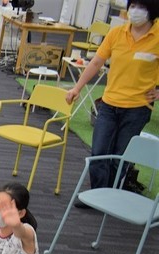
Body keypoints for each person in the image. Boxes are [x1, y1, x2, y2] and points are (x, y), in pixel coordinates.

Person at [66, 0, 159, 205]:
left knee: (121, 156)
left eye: (141, 7)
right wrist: (76, 88)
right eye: (132, 5)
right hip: (109, 104)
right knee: (99, 152)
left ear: (152, 11)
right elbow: (96, 62)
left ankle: (112, 197)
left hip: (137, 108)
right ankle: (98, 196)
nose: (135, 11)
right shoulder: (117, 33)